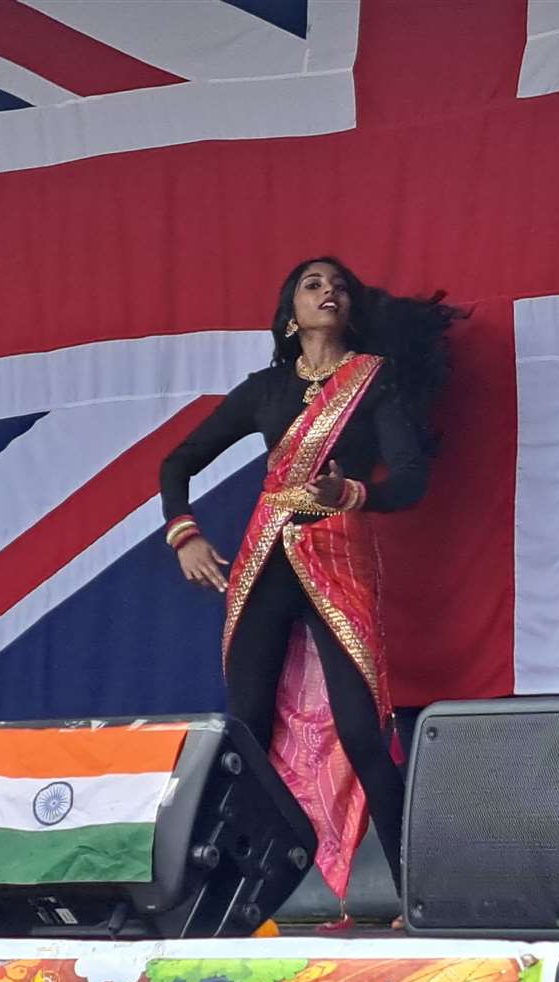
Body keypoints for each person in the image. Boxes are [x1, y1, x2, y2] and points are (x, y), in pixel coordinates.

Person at [159, 256, 458, 930]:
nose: (329, 292)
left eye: (339, 286)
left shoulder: (373, 384)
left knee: (362, 730)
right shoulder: (264, 390)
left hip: (336, 553)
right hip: (266, 555)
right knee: (248, 730)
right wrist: (185, 535)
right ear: (290, 314)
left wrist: (349, 493)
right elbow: (177, 461)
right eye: (313, 285)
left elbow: (411, 480)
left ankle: (422, 902)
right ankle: (229, 905)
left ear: (351, 309)